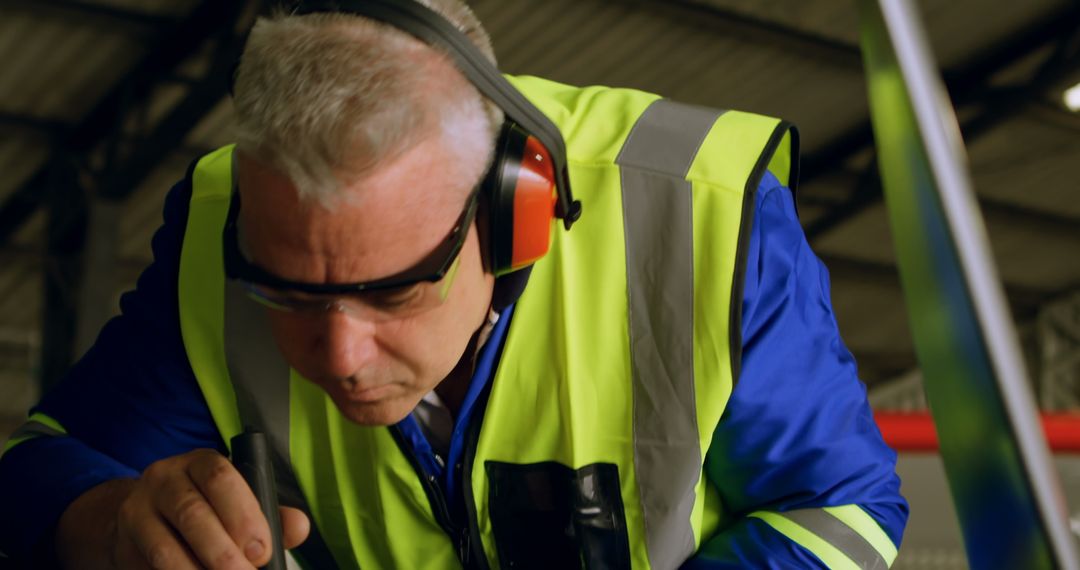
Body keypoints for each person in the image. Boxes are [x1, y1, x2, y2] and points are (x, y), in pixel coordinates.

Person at [0, 0, 908, 568]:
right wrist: (111, 519)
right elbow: (36, 471)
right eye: (288, 294)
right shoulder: (213, 235)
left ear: (516, 214)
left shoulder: (704, 218)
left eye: (394, 292)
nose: (341, 358)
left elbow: (842, 511)